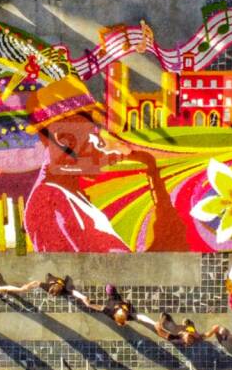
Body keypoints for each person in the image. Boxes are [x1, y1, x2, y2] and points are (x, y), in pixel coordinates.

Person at [24, 75, 186, 251]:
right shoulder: (51, 199)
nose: (101, 144)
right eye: (93, 133)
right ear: (64, 139)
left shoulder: (67, 194)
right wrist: (163, 244)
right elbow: (107, 273)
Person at [78, 284, 156, 328]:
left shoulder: (110, 309)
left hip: (118, 305)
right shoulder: (119, 309)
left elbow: (98, 307)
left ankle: (111, 289)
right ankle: (154, 323)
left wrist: (88, 304)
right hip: (121, 306)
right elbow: (140, 316)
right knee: (137, 316)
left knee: (136, 316)